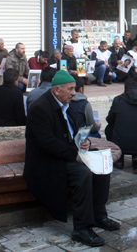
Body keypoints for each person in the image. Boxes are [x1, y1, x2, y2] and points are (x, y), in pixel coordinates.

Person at [24, 70, 119, 247]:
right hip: (47, 162)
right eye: (71, 89)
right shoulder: (40, 109)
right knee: (83, 174)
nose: (74, 93)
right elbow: (47, 143)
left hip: (65, 154)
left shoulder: (64, 103)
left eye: (74, 89)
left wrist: (82, 143)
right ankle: (81, 229)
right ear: (57, 90)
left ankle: (99, 216)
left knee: (102, 168)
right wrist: (75, 155)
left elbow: (70, 133)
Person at [105, 78, 137, 170]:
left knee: (109, 128)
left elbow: (110, 119)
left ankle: (119, 158)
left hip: (120, 142)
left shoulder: (118, 100)